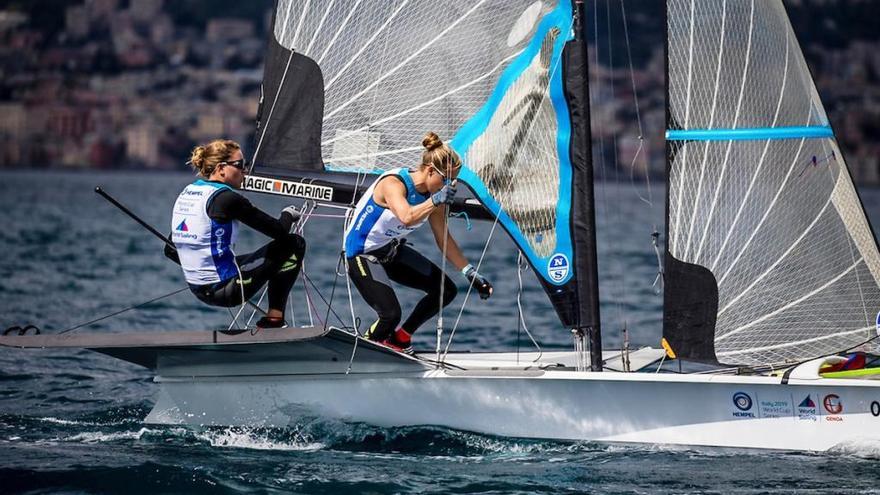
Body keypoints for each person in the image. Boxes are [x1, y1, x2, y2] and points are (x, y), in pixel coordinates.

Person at [344, 131, 493, 353]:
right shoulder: (394, 184)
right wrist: (435, 200)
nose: (450, 185)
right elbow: (406, 216)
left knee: (445, 290)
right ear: (431, 171)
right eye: (447, 179)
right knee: (390, 315)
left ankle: (400, 339)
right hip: (361, 256)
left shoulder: (436, 196)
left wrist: (470, 272)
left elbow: (443, 239)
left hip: (389, 253)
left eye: (454, 180)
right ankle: (361, 349)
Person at [168, 139, 306, 329]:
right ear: (222, 168)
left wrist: (200, 268)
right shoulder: (227, 199)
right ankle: (274, 319)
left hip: (197, 289)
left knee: (240, 259)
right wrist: (288, 214)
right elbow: (279, 231)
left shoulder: (188, 193)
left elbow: (170, 249)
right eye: (240, 165)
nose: (245, 171)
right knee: (294, 243)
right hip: (228, 290)